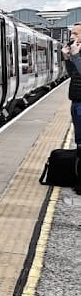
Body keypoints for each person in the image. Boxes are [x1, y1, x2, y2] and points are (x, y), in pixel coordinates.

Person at [63, 24, 81, 186]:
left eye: (75, 33)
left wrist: (75, 57)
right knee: (79, 142)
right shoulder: (77, 52)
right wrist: (69, 59)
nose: (72, 36)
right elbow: (73, 75)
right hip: (76, 101)